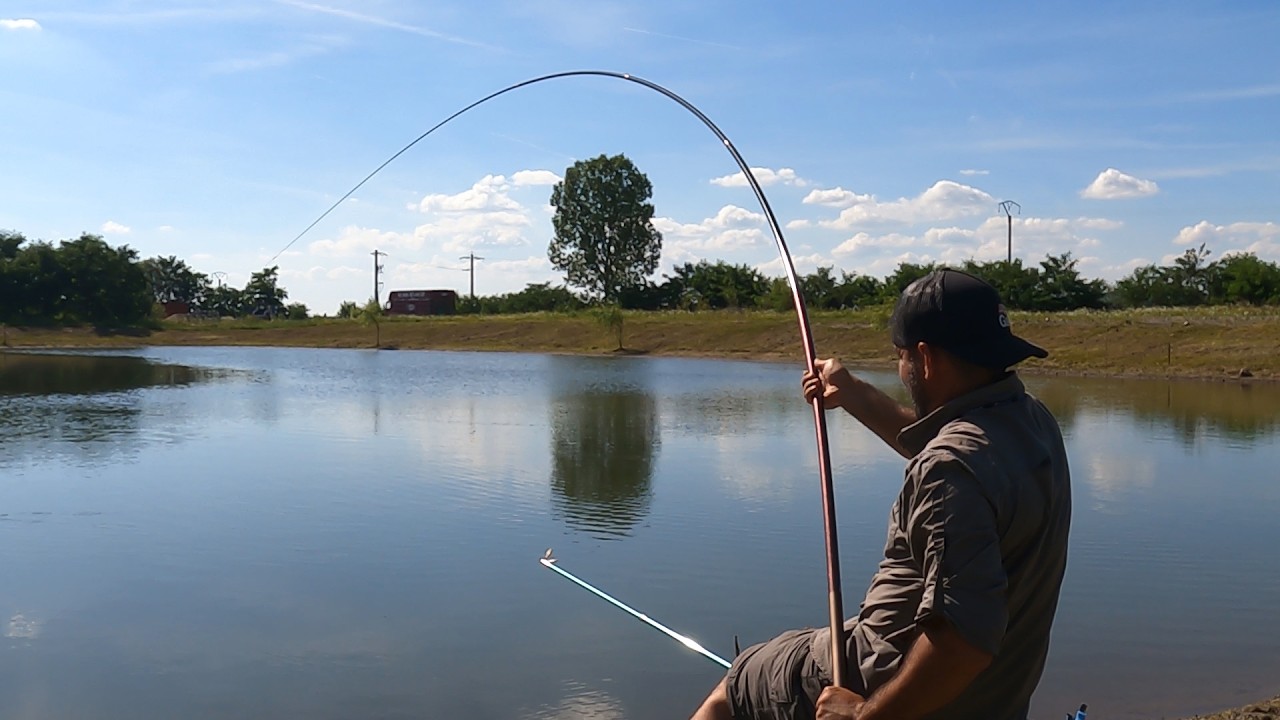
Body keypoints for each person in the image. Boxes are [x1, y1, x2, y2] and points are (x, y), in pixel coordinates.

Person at [691, 269, 1072, 720]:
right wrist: (854, 394)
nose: (902, 369)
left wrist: (864, 715)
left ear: (924, 358)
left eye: (901, 357)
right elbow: (948, 447)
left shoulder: (948, 470)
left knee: (734, 689)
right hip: (995, 699)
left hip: (885, 677)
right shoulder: (1032, 423)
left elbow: (963, 644)